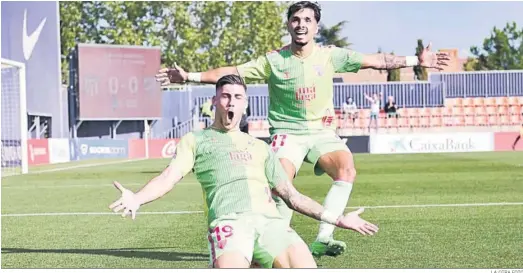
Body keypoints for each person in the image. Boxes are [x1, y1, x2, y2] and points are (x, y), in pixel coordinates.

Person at [155, 1, 449, 257]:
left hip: (322, 133)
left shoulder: (331, 55)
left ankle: (323, 238)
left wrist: (415, 61)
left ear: (316, 27)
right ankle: (275, 243)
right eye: (296, 19)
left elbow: (379, 61)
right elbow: (232, 71)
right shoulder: (273, 60)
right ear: (289, 25)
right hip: (287, 133)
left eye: (307, 20)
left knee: (346, 168)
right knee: (282, 185)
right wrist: (189, 76)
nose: (301, 24)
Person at [109, 75, 378, 269]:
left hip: (272, 223)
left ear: (245, 104)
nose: (230, 103)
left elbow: (292, 196)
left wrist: (337, 219)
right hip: (230, 224)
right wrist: (137, 199)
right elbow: (169, 177)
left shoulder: (260, 148)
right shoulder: (196, 140)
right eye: (225, 96)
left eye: (237, 97)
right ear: (215, 100)